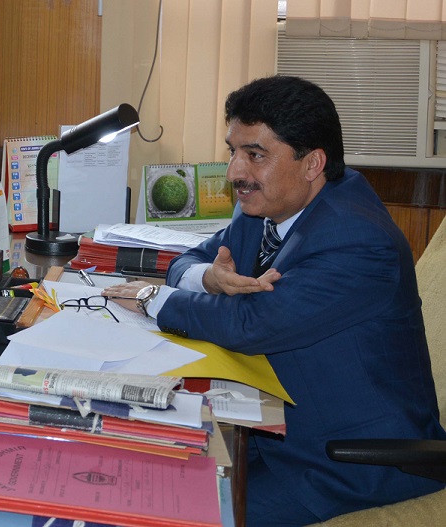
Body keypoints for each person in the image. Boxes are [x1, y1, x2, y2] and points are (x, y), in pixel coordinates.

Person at [103, 75, 446, 525]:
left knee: (172, 513)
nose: (234, 173)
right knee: (131, 474)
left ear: (313, 163)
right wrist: (208, 278)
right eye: (233, 151)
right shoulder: (271, 203)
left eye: (255, 155)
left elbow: (253, 323)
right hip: (269, 427)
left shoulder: (357, 239)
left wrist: (153, 298)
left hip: (347, 459)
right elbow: (189, 259)